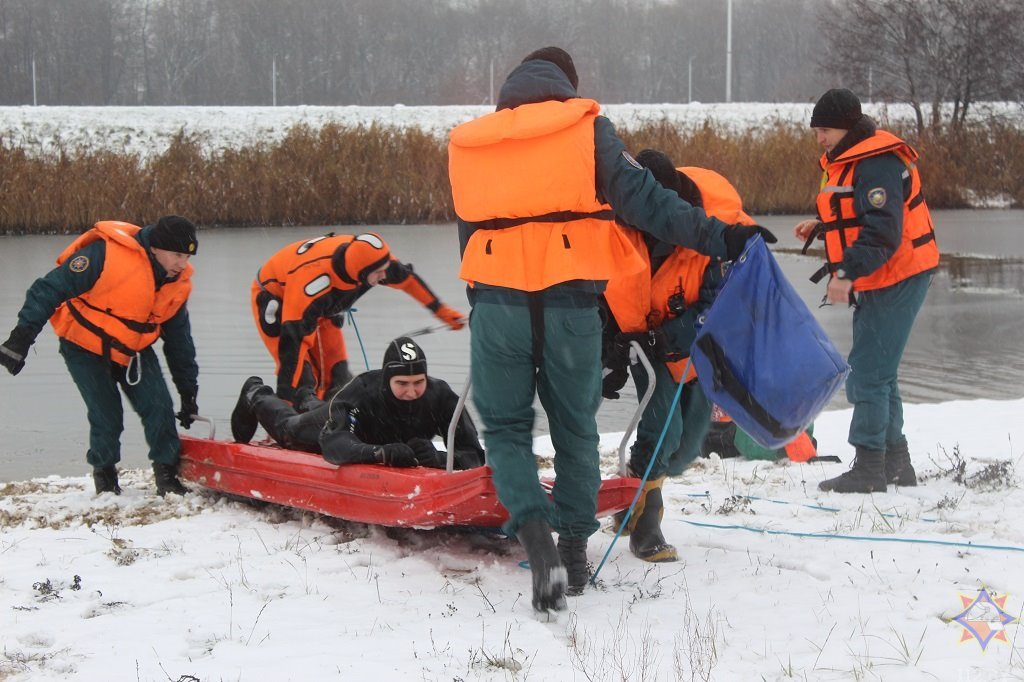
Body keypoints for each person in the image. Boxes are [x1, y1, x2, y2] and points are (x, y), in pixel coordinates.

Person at [447, 46, 776, 614]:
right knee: (575, 427)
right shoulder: (585, 129)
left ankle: (533, 536)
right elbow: (650, 204)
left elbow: (469, 234)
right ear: (567, 86)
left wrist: (482, 302)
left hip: (496, 302)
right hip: (571, 303)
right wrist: (725, 238)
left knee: (504, 427)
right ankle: (573, 548)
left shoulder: (472, 141)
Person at [602, 150, 758, 562]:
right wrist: (613, 354)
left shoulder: (706, 233)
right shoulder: (616, 229)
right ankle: (646, 522)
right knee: (662, 429)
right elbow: (601, 300)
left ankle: (629, 503)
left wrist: (670, 336)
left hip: (690, 343)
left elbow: (718, 304)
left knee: (688, 445)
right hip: (642, 343)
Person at [794, 88, 938, 493]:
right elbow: (859, 215)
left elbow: (882, 232)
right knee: (880, 373)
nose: (819, 138)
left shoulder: (876, 163)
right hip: (882, 275)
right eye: (816, 131)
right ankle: (896, 464)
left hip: (899, 274)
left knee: (867, 375)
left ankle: (869, 469)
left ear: (846, 127)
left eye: (825, 130)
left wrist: (844, 272)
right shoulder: (854, 159)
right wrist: (823, 227)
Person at [0, 216, 200, 496]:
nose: (183, 263)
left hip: (133, 350)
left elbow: (180, 342)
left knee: (159, 407)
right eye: (178, 255)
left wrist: (188, 391)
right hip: (83, 346)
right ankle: (105, 479)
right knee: (107, 415)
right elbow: (48, 289)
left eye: (188, 256)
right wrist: (21, 338)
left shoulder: (176, 285)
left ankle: (167, 477)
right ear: (156, 248)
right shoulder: (105, 254)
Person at [252, 232, 465, 404]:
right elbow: (293, 343)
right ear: (360, 272)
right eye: (379, 273)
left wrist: (443, 312)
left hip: (325, 308)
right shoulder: (313, 282)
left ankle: (329, 426)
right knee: (302, 380)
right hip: (278, 300)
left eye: (385, 270)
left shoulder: (373, 261)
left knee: (338, 378)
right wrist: (285, 399)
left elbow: (408, 281)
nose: (385, 276)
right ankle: (266, 406)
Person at [230, 336, 484, 470]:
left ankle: (306, 397)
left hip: (358, 422)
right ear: (387, 380)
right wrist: (378, 453)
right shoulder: (363, 391)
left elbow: (474, 453)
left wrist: (439, 459)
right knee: (288, 431)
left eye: (418, 382)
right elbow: (334, 445)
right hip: (346, 428)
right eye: (402, 384)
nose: (411, 391)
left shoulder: (440, 395)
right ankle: (256, 393)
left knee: (322, 406)